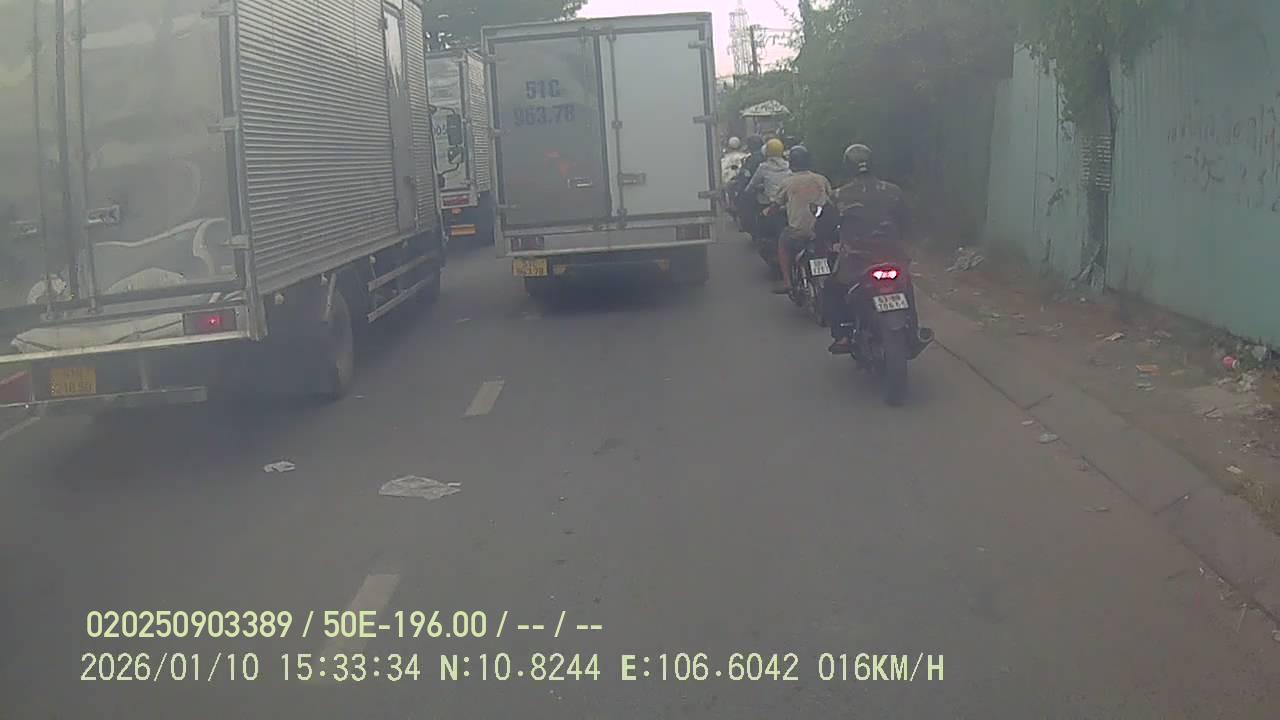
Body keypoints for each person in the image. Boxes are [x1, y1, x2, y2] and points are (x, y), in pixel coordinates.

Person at [824, 143, 908, 353]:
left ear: (847, 167)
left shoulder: (838, 195)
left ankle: (843, 336)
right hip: (892, 256)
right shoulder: (893, 191)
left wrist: (828, 241)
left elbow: (825, 226)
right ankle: (913, 331)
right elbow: (905, 222)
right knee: (907, 285)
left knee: (832, 287)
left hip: (856, 261)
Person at [771, 145, 832, 294]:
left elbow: (776, 205)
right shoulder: (821, 179)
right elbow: (831, 200)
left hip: (798, 233)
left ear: (792, 163)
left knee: (783, 243)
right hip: (822, 232)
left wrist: (768, 212)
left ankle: (787, 282)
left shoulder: (788, 182)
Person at [743, 138, 792, 258]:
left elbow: (751, 185)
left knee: (761, 224)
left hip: (769, 206)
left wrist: (748, 190)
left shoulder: (763, 167)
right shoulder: (789, 166)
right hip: (788, 205)